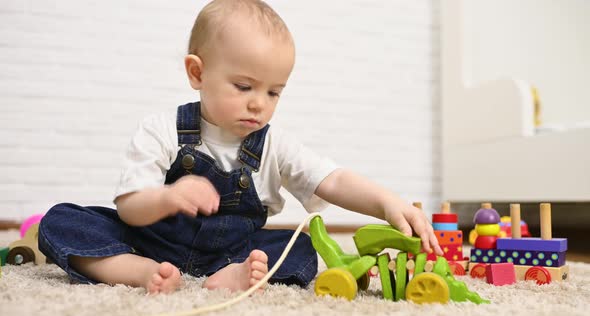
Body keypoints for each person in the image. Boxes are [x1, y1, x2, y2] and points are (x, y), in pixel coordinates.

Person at [38, 0, 442, 295]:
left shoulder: (275, 144)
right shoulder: (162, 129)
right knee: (62, 220)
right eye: (244, 86)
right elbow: (129, 206)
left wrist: (388, 203)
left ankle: (232, 276)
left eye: (274, 92)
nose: (259, 103)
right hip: (149, 242)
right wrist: (168, 196)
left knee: (300, 248)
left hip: (230, 252)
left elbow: (331, 180)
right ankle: (138, 271)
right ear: (197, 72)